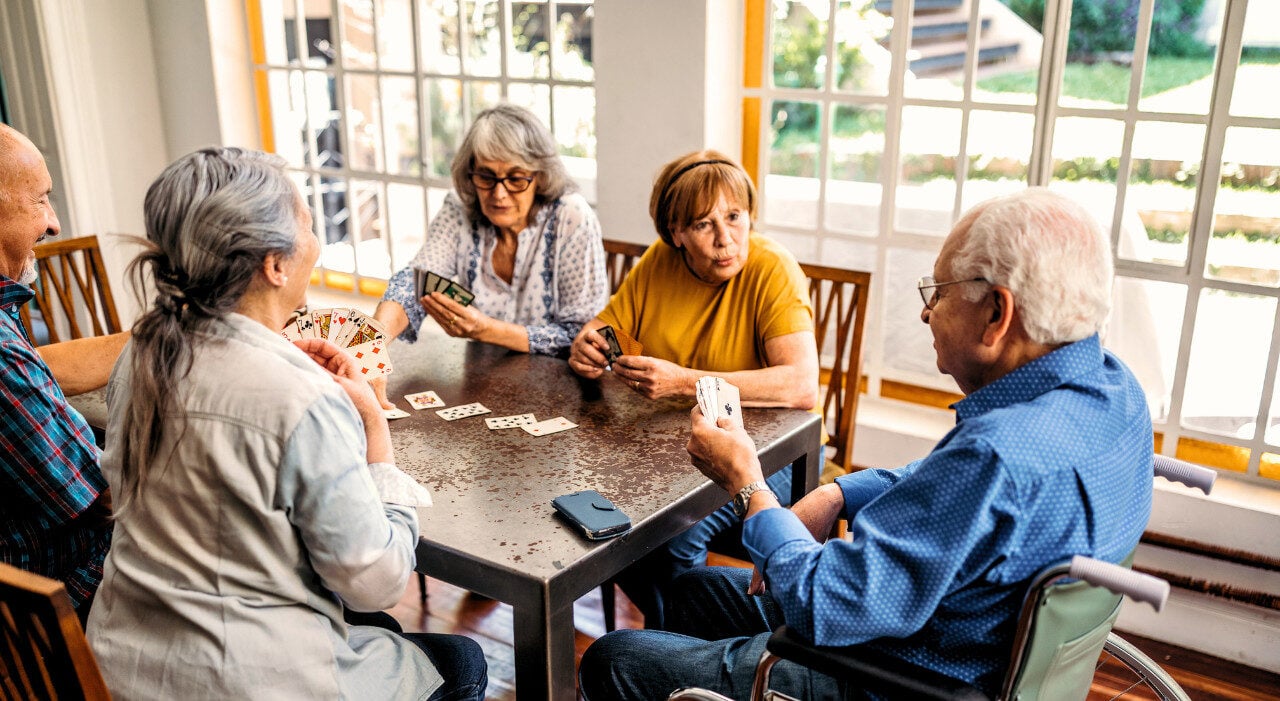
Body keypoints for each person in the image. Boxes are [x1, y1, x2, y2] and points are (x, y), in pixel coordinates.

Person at [578, 187, 1155, 699]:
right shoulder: (1111, 387)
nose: (927, 312)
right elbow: (955, 488)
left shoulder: (999, 456)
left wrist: (750, 486)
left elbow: (821, 603)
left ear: (996, 315)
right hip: (956, 637)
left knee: (615, 659)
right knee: (694, 593)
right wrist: (840, 494)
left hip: (885, 673)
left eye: (940, 291)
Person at [86, 147, 486, 700]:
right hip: (243, 683)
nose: (316, 242)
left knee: (380, 637)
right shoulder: (301, 396)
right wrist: (376, 435)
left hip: (124, 668)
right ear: (275, 264)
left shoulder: (141, 350)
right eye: (309, 224)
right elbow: (376, 583)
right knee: (461, 659)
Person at [568, 150, 820, 628]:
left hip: (777, 450)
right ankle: (670, 641)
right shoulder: (660, 261)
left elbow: (801, 386)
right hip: (670, 447)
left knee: (671, 535)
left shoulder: (772, 267)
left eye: (734, 217)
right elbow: (607, 329)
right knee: (606, 521)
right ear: (676, 233)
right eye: (704, 225)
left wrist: (684, 381)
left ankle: (677, 648)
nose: (726, 240)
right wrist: (588, 344)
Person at [371, 104, 608, 400]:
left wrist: (486, 330)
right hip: (483, 382)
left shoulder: (572, 216)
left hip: (567, 391)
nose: (499, 193)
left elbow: (581, 336)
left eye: (516, 178)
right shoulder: (459, 207)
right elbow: (417, 280)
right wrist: (371, 347)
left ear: (541, 177)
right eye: (486, 177)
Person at [0, 123, 128, 622]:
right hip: (64, 604)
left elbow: (38, 369)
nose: (53, 224)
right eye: (40, 200)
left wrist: (170, 329)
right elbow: (108, 501)